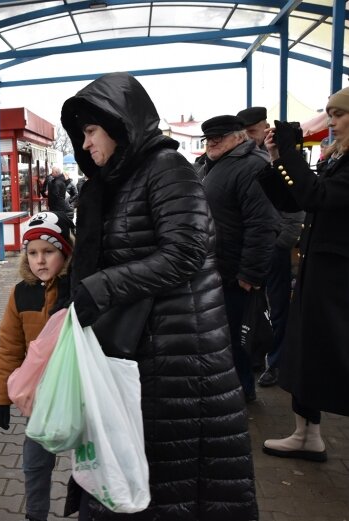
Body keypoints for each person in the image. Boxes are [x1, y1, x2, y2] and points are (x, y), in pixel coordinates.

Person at [61, 72, 258, 520]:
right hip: (144, 348)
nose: (86, 144)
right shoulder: (119, 179)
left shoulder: (165, 168)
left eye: (91, 131)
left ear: (119, 123)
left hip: (180, 353)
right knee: (152, 475)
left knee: (179, 480)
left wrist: (102, 287)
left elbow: (187, 251)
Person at [257, 86, 349, 462]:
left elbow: (317, 198)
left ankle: (308, 433)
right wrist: (279, 157)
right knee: (306, 351)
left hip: (339, 280)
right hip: (323, 273)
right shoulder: (338, 158)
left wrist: (292, 155)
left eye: (339, 114)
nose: (332, 123)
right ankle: (306, 433)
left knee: (335, 356)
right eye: (330, 114)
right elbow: (294, 199)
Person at [0, 211, 73, 521]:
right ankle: (35, 514)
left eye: (49, 252)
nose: (41, 260)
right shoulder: (21, 293)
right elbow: (9, 347)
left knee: (87, 456)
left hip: (78, 388)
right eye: (33, 252)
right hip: (42, 396)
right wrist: (0, 397)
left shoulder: (79, 290)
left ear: (65, 252)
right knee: (36, 459)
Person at [195, 114, 277, 402]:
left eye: (220, 136)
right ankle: (232, 390)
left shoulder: (251, 166)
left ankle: (242, 392)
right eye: (209, 138)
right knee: (224, 337)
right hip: (217, 270)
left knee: (237, 338)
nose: (212, 142)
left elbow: (262, 223)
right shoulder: (212, 166)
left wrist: (250, 274)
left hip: (235, 273)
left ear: (239, 137)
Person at [238, 107, 305, 386]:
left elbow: (296, 206)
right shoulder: (242, 159)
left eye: (254, 132)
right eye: (246, 133)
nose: (250, 138)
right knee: (254, 307)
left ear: (265, 128)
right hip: (254, 247)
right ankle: (256, 355)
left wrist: (281, 243)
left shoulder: (281, 156)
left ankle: (276, 363)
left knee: (278, 308)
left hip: (275, 247)